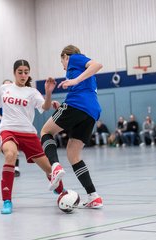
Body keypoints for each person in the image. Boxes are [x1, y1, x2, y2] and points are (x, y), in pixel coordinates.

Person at [0, 59, 65, 214]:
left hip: (28, 133)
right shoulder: (4, 89)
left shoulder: (33, 92)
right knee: (10, 155)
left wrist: (48, 93)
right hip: (8, 129)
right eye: (20, 72)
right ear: (14, 72)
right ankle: (7, 200)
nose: (23, 75)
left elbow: (45, 107)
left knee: (49, 168)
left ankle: (62, 193)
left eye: (26, 72)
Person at [40, 45, 103, 208]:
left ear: (65, 56)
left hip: (77, 104)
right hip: (91, 111)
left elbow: (97, 65)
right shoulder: (82, 72)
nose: (62, 65)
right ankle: (93, 196)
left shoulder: (75, 58)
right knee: (73, 154)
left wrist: (74, 80)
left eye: (62, 61)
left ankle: (54, 166)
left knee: (46, 132)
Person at [0, 79, 21, 177]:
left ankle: (16, 168)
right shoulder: (0, 97)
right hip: (5, 127)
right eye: (5, 85)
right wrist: (1, 117)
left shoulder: (17, 98)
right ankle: (10, 166)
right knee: (8, 150)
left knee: (15, 149)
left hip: (16, 126)